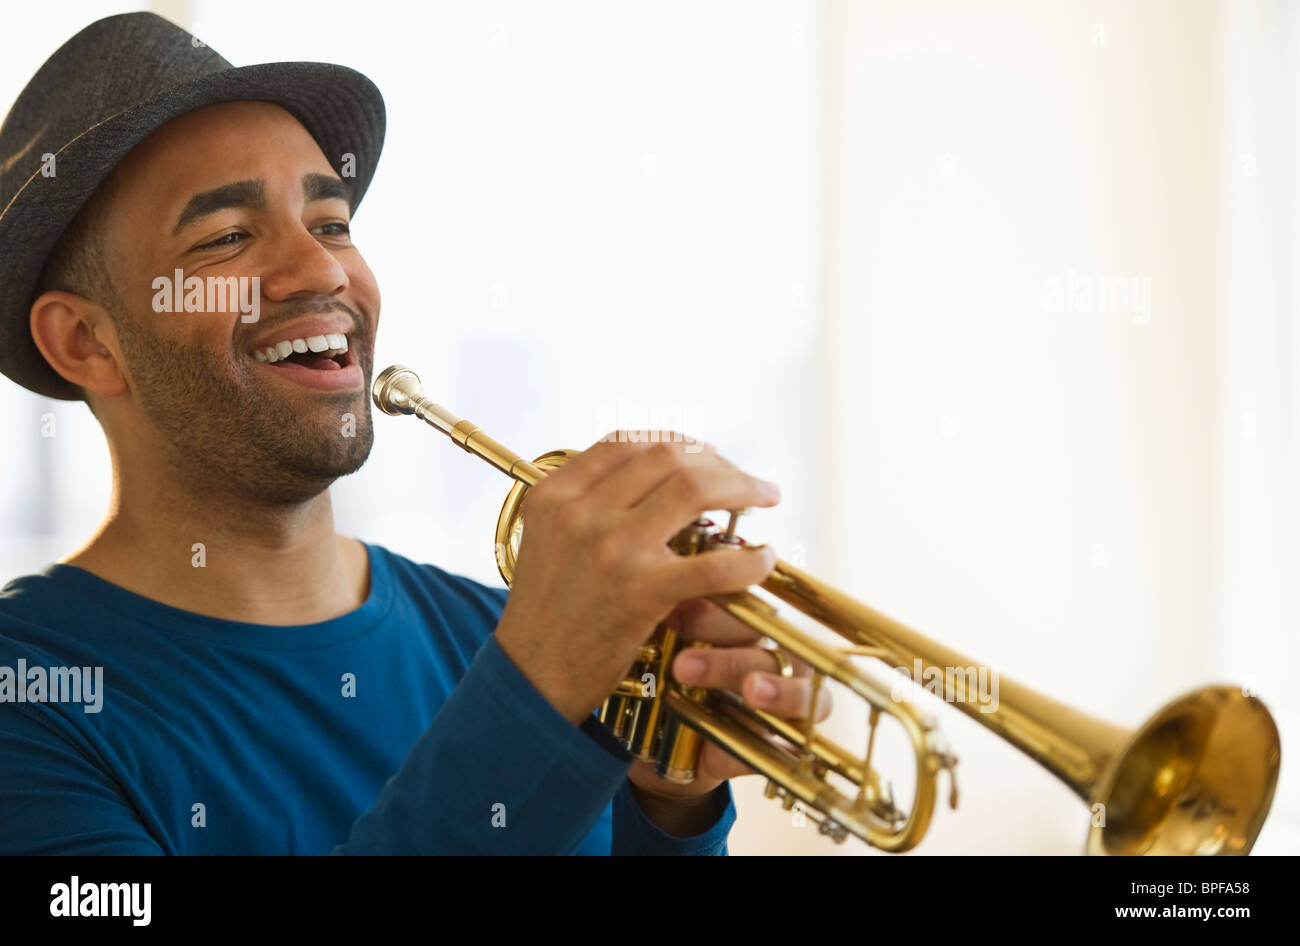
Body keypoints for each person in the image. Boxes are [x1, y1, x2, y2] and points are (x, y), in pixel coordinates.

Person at [0, 13, 828, 855]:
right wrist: (537, 687)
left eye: (330, 224)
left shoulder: (502, 634)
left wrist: (670, 805)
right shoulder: (25, 700)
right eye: (227, 238)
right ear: (87, 342)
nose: (324, 271)